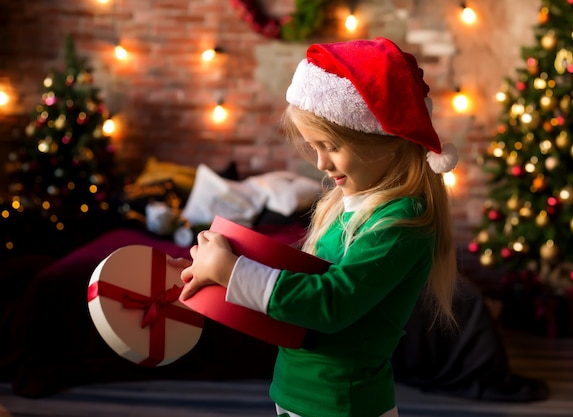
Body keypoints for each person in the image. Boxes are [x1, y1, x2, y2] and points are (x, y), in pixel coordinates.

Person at [177, 37, 460, 417]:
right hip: (298, 394)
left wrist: (230, 270)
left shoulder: (403, 222)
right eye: (314, 147)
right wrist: (216, 270)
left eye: (331, 146)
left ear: (384, 142)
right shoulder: (342, 208)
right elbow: (299, 281)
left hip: (343, 404)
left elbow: (331, 303)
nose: (321, 163)